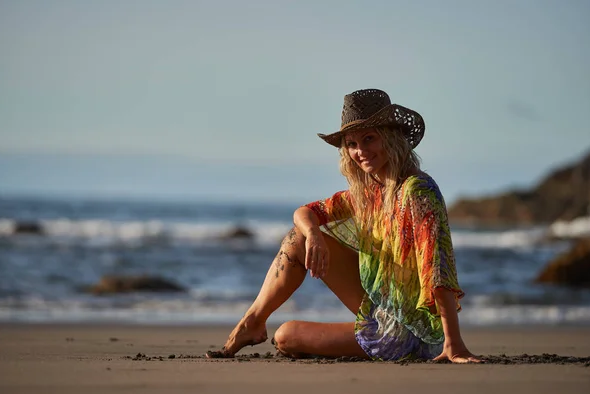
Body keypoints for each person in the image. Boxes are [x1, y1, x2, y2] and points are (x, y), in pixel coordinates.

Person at [206, 89, 481, 363]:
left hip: (406, 334)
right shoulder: (369, 192)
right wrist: (314, 234)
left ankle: (256, 324)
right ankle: (252, 321)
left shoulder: (417, 190)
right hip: (384, 311)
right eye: (352, 144)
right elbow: (305, 212)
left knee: (285, 336)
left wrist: (453, 343)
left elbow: (435, 265)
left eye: (369, 138)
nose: (360, 151)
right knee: (299, 236)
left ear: (391, 137)